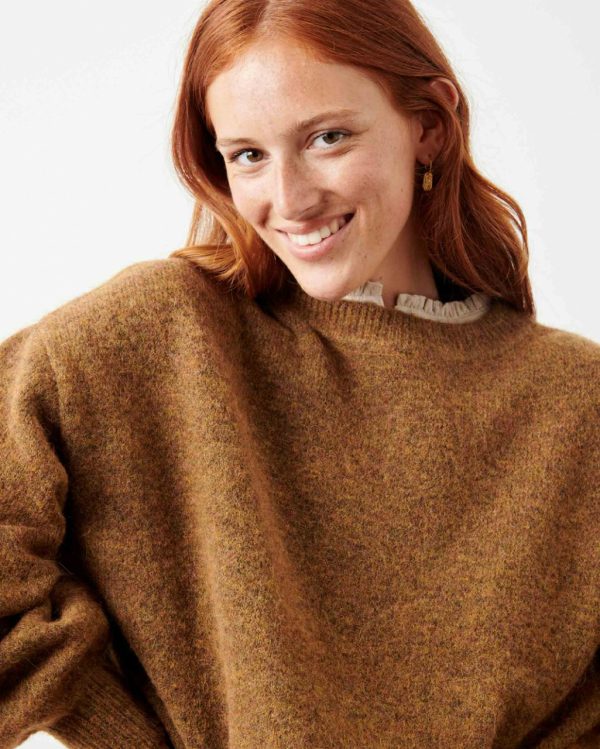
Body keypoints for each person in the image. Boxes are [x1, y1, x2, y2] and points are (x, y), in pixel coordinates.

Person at [1, 1, 598, 748]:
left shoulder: (576, 402)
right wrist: (114, 727)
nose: (289, 199)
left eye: (327, 138)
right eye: (248, 154)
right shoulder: (163, 334)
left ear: (429, 125)